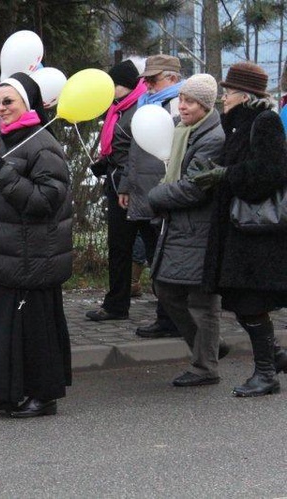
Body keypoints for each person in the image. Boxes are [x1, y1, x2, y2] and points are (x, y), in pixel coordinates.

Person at [0, 72, 73, 418]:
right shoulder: (5, 140)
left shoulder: (43, 144)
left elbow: (47, 200)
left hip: (32, 259)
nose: (0, 109)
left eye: (8, 102)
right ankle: (2, 392)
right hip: (3, 255)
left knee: (34, 331)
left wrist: (5, 176)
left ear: (27, 103)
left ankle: (43, 395)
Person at [199, 62, 287, 397]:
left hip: (256, 232)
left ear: (245, 95)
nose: (224, 98)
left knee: (250, 301)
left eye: (229, 91)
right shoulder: (235, 124)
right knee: (239, 299)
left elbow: (269, 173)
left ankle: (266, 373)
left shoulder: (266, 122)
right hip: (237, 229)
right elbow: (238, 164)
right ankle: (274, 356)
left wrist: (225, 176)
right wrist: (213, 170)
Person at [147, 74, 225, 387]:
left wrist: (155, 196)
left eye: (190, 101)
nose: (182, 106)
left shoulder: (212, 139)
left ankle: (206, 366)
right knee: (166, 289)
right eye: (181, 99)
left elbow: (195, 189)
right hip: (181, 227)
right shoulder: (185, 131)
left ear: (205, 105)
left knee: (202, 301)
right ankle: (208, 349)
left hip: (200, 229)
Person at [118, 54, 184, 338]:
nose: (148, 86)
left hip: (164, 195)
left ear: (172, 78)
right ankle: (167, 316)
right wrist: (125, 185)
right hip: (143, 194)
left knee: (165, 260)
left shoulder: (177, 106)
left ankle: (172, 319)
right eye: (146, 80)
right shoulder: (146, 105)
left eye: (153, 80)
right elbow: (134, 152)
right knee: (156, 260)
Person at [85, 59, 149, 322]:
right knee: (118, 247)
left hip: (135, 187)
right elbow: (117, 149)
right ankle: (116, 304)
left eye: (114, 85)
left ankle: (170, 305)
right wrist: (103, 163)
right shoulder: (117, 109)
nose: (110, 90)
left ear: (127, 86)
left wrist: (124, 182)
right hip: (116, 183)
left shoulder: (141, 109)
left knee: (150, 244)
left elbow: (138, 153)